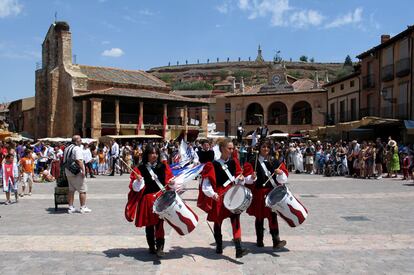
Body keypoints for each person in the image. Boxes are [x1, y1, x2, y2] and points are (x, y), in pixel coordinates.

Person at [197, 138, 249, 258]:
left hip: (233, 194)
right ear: (222, 149)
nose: (232, 150)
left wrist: (241, 179)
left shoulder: (234, 162)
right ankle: (219, 246)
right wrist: (212, 194)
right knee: (218, 221)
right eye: (229, 148)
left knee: (235, 219)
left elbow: (237, 178)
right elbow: (206, 183)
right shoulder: (213, 165)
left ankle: (238, 248)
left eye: (232, 148)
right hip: (219, 196)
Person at [124, 144, 175, 257]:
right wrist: (138, 181)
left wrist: (171, 184)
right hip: (147, 199)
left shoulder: (163, 166)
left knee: (160, 223)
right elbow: (135, 187)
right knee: (149, 224)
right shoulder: (139, 169)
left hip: (161, 198)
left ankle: (160, 247)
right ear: (147, 154)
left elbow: (169, 181)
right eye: (152, 153)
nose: (154, 155)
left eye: (156, 153)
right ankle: (151, 246)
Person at [243, 139, 288, 249]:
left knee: (272, 216)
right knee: (259, 217)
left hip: (272, 193)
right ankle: (259, 240)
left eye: (268, 147)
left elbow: (282, 179)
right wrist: (252, 177)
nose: (266, 149)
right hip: (259, 192)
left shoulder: (274, 161)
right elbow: (246, 179)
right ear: (259, 148)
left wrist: (280, 173)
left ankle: (276, 240)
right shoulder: (253, 161)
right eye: (263, 147)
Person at [63, 135, 91, 214]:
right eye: (80, 140)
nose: (81, 141)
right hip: (76, 172)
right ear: (76, 141)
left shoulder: (67, 148)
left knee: (71, 190)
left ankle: (70, 207)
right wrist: (83, 171)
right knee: (82, 190)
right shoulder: (77, 149)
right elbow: (79, 160)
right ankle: (83, 207)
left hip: (68, 171)